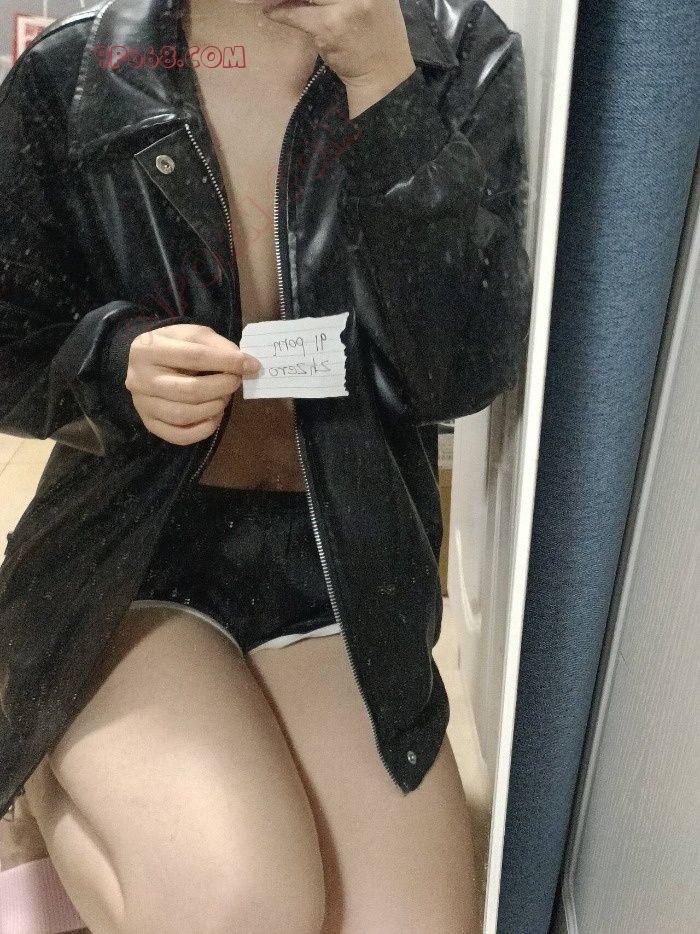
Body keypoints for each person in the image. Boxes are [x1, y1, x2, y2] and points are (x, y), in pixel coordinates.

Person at [0, 0, 532, 929]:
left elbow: (459, 375)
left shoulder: (454, 52)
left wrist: (386, 89)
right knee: (242, 905)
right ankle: (43, 776)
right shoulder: (79, 70)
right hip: (128, 558)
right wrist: (112, 362)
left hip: (344, 564)